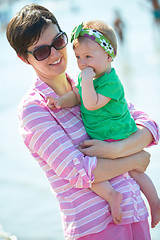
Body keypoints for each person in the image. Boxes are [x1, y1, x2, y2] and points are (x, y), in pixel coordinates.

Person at [6, 3, 159, 240]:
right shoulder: (34, 110)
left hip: (135, 212)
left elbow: (147, 125)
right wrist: (135, 158)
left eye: (58, 42)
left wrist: (116, 149)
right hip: (97, 227)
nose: (55, 54)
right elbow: (79, 172)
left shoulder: (90, 82)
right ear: (24, 58)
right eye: (41, 51)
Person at [46, 20, 160, 228]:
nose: (82, 63)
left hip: (117, 134)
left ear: (109, 56)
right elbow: (78, 96)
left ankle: (154, 201)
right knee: (93, 171)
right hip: (104, 136)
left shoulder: (110, 82)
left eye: (88, 57)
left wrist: (86, 81)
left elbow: (90, 104)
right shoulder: (87, 78)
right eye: (79, 57)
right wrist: (62, 101)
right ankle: (113, 196)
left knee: (127, 171)